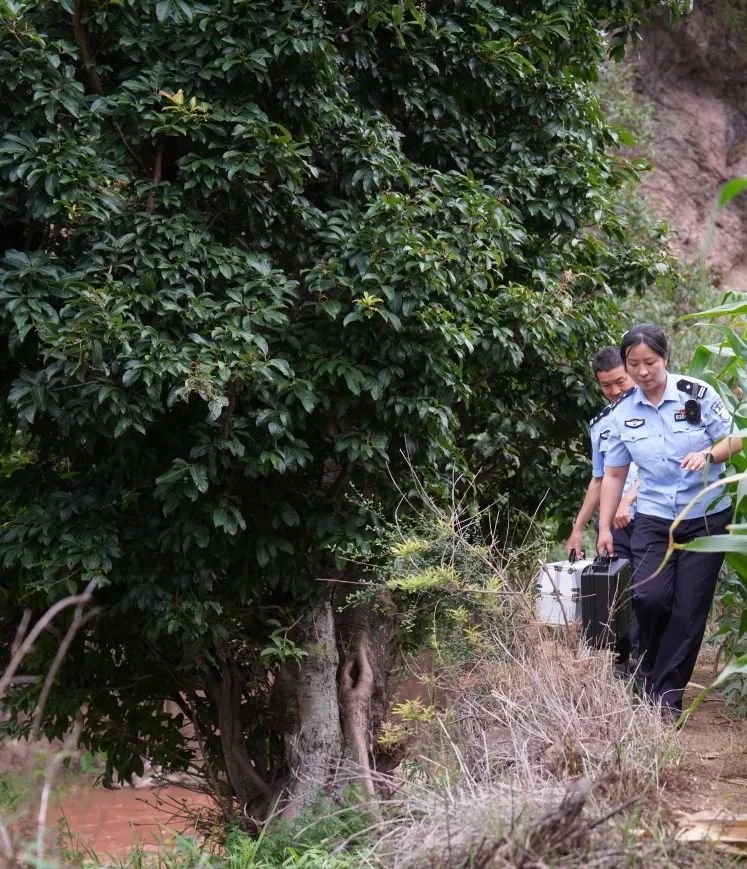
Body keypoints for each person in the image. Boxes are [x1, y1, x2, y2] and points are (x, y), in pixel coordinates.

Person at [597, 324, 742, 717]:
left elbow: (736, 438)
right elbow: (613, 474)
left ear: (665, 358)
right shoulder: (622, 413)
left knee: (688, 611)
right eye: (634, 364)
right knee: (649, 597)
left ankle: (665, 701)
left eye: (650, 362)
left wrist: (709, 455)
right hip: (654, 518)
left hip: (706, 518)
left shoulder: (697, 394)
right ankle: (647, 670)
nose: (642, 372)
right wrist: (604, 527)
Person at [566, 346, 640, 671]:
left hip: (652, 516)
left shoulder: (656, 412)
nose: (615, 391)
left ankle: (646, 663)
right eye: (606, 386)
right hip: (613, 524)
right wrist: (578, 529)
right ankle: (621, 663)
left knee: (648, 594)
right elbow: (598, 480)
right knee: (615, 591)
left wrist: (630, 499)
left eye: (620, 382)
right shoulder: (601, 424)